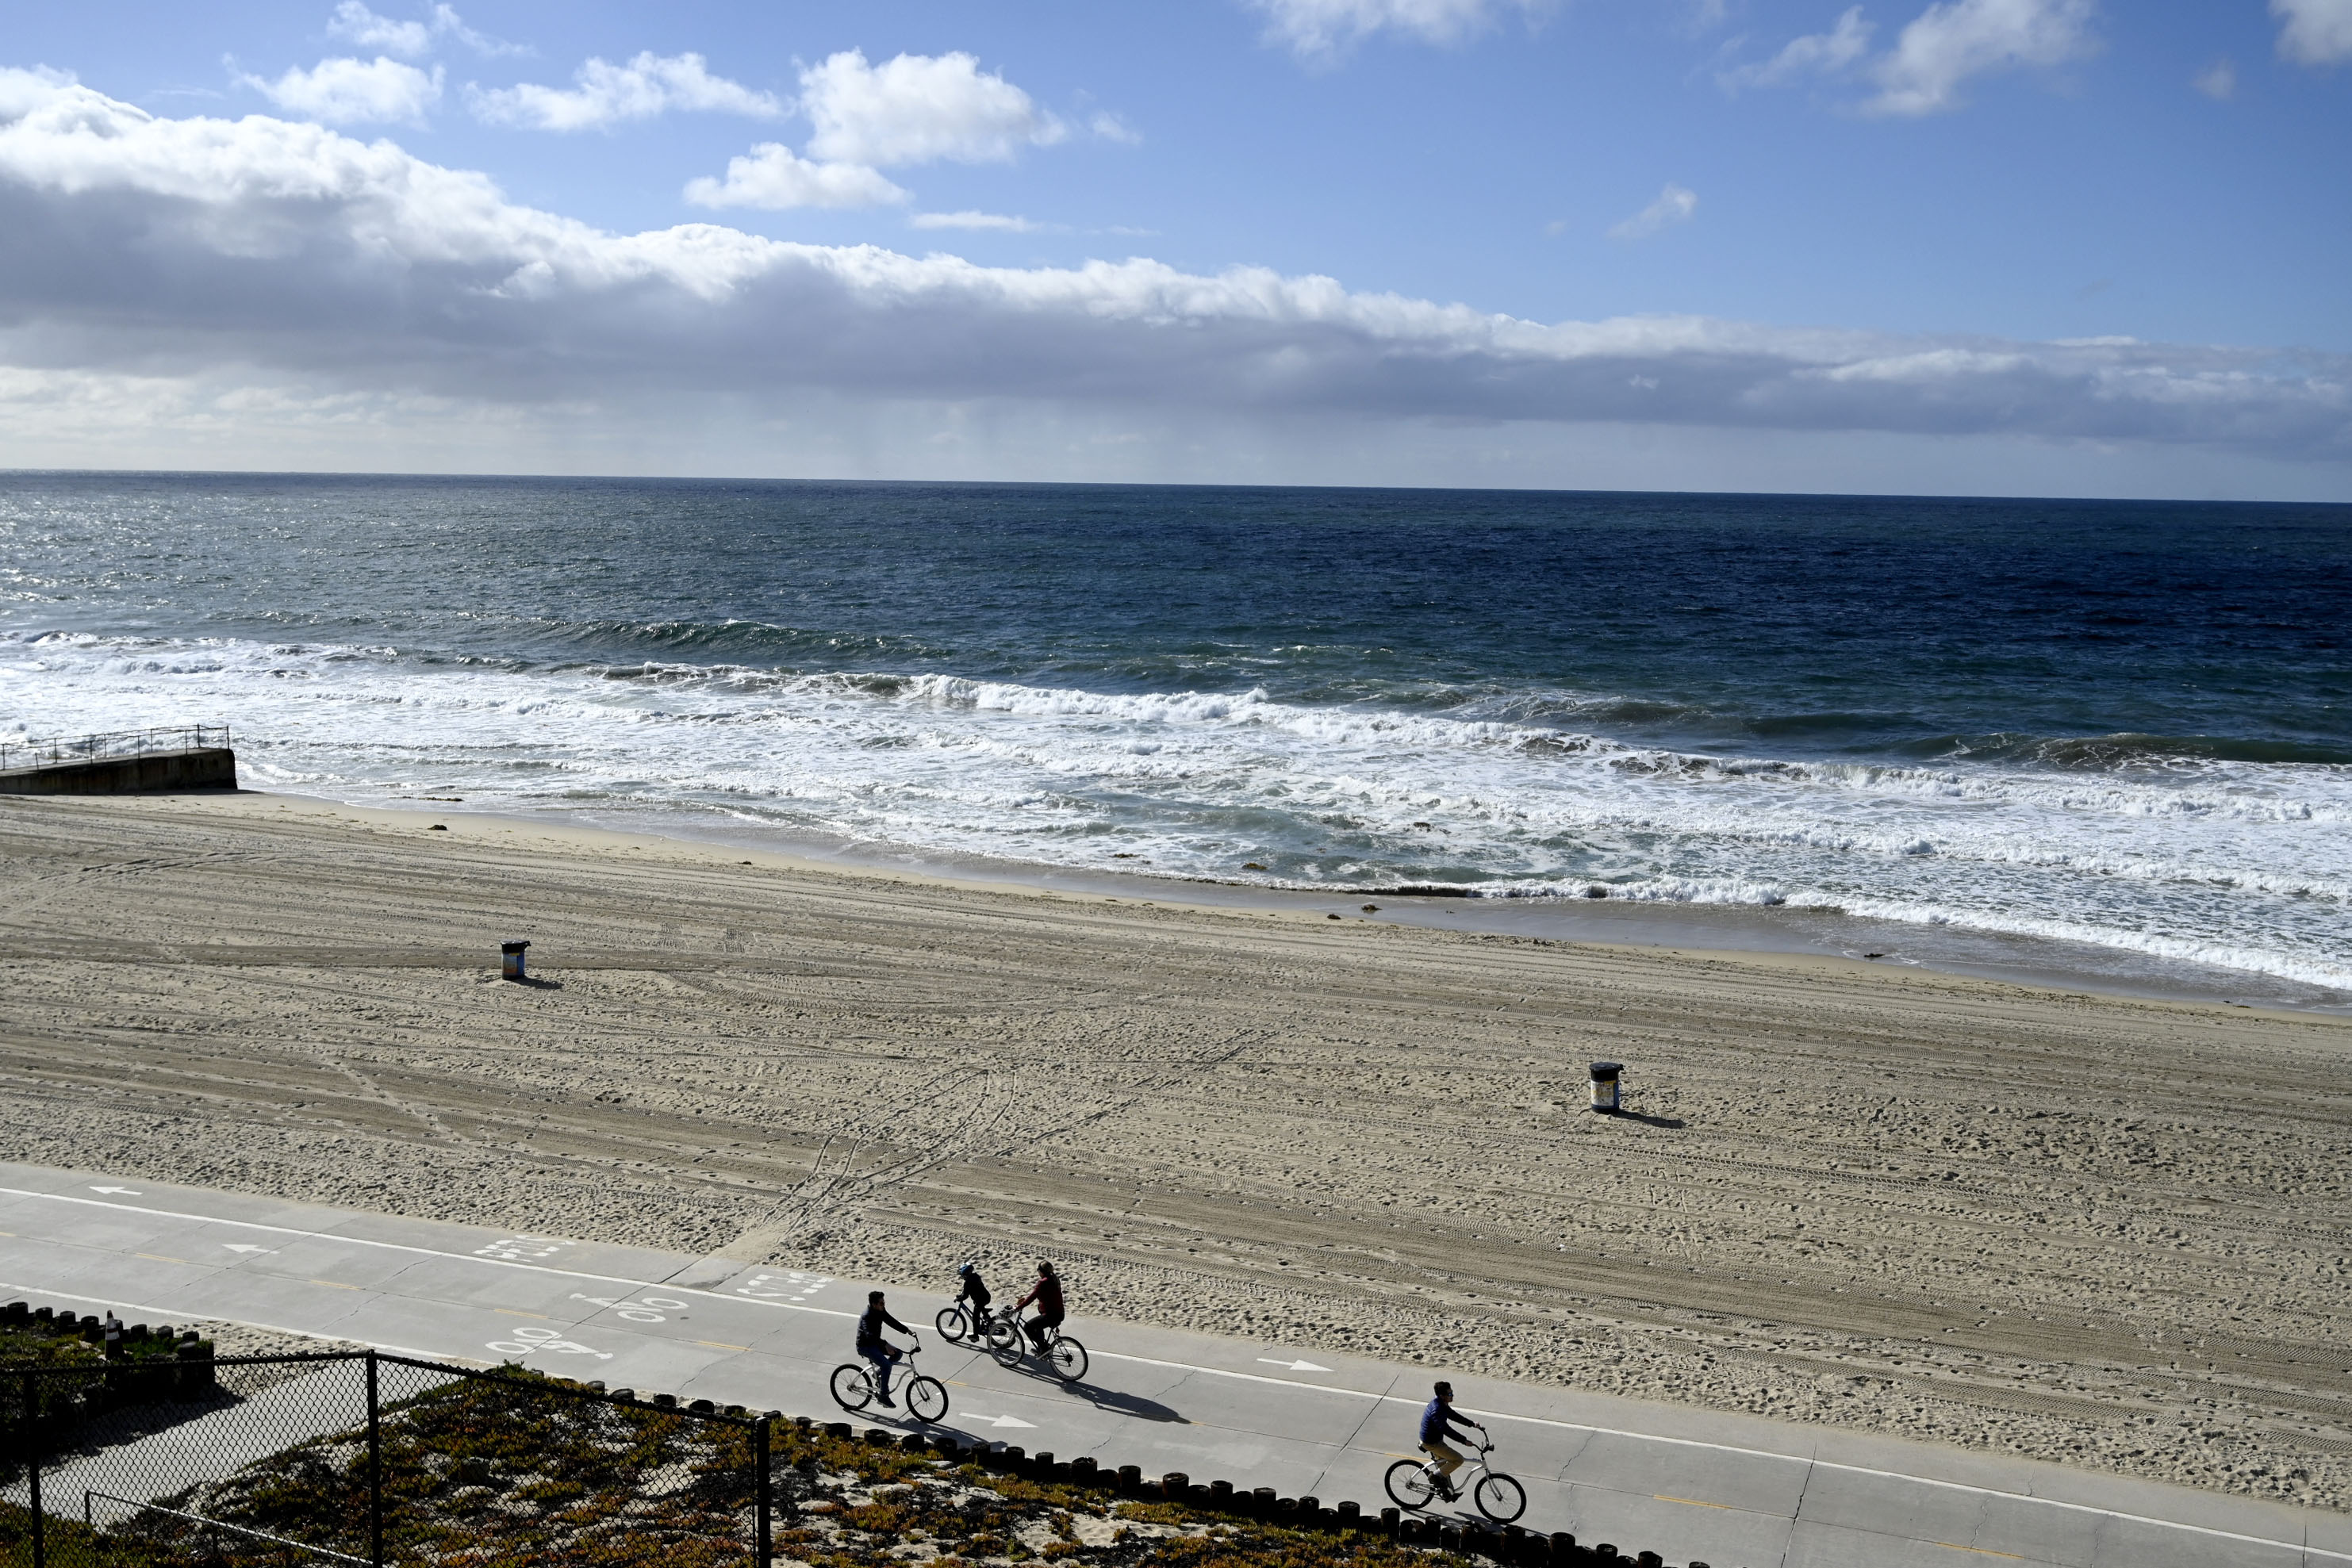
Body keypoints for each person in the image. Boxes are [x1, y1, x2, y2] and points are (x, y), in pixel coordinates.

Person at [1418, 1381, 1485, 1501]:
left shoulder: (1441, 1404)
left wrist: (1472, 1424)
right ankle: (1433, 1477)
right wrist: (1464, 1441)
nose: (1452, 1395)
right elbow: (1446, 1430)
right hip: (1431, 1443)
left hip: (1436, 1440)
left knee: (1444, 1470)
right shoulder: (1437, 1409)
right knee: (1458, 1459)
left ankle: (1448, 1494)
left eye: (1452, 1393)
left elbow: (1454, 1416)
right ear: (1442, 1396)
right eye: (1450, 1394)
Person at [856, 1290, 917, 1407]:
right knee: (887, 1365)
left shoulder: (880, 1310)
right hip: (865, 1346)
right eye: (881, 1303)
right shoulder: (867, 1316)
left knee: (898, 1354)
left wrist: (907, 1331)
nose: (884, 1305)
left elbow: (891, 1321)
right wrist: (885, 1345)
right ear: (874, 1304)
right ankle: (883, 1396)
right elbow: (870, 1335)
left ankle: (878, 1374)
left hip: (875, 1343)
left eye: (884, 1302)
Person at [1014, 1259, 1064, 1351]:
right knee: (1038, 1326)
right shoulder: (1055, 1278)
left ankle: (1044, 1348)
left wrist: (1019, 1307)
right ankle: (1042, 1348)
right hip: (1059, 1314)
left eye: (1038, 1270)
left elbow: (1032, 1297)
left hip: (1050, 1315)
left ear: (1042, 1271)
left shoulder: (1043, 1282)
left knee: (1028, 1327)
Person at [955, 1261, 992, 1328]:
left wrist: (958, 1299)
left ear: (965, 1274)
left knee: (975, 1317)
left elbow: (965, 1296)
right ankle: (987, 1317)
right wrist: (959, 1296)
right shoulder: (976, 1276)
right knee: (980, 1307)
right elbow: (965, 1292)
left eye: (962, 1275)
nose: (962, 1277)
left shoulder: (968, 1283)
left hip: (980, 1300)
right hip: (986, 1297)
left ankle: (975, 1335)